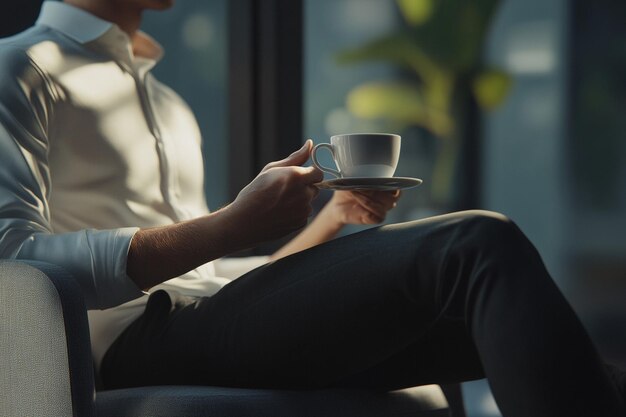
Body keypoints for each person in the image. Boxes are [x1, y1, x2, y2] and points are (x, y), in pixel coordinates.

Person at [0, 1, 623, 416]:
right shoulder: (20, 67)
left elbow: (209, 283)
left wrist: (332, 221)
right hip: (123, 344)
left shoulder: (169, 103)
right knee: (477, 246)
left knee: (498, 322)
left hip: (197, 322)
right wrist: (230, 225)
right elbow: (13, 263)